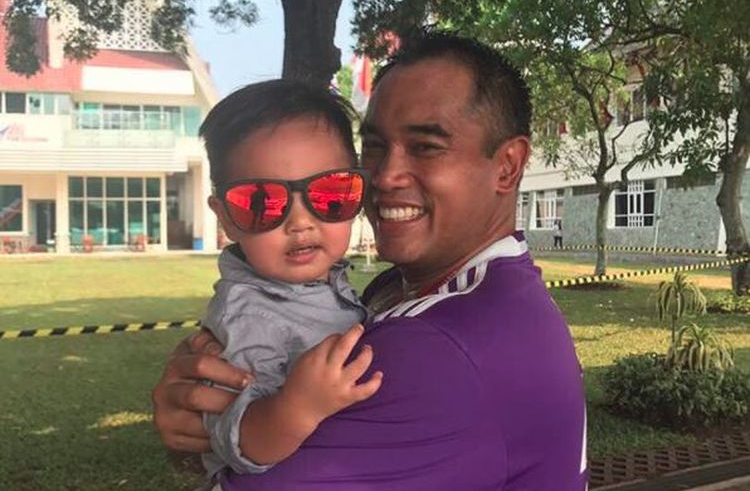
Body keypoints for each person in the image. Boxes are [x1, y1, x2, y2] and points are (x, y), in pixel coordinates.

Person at [152, 33, 587, 490]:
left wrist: (199, 441)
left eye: (425, 146)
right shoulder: (403, 289)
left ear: (508, 166)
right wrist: (197, 410)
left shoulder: (441, 349)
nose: (385, 176)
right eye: (375, 146)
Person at [197, 80, 383, 486]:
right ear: (226, 217)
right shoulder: (249, 315)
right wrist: (297, 407)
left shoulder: (328, 282)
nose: (300, 222)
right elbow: (236, 440)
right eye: (262, 203)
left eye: (331, 193)